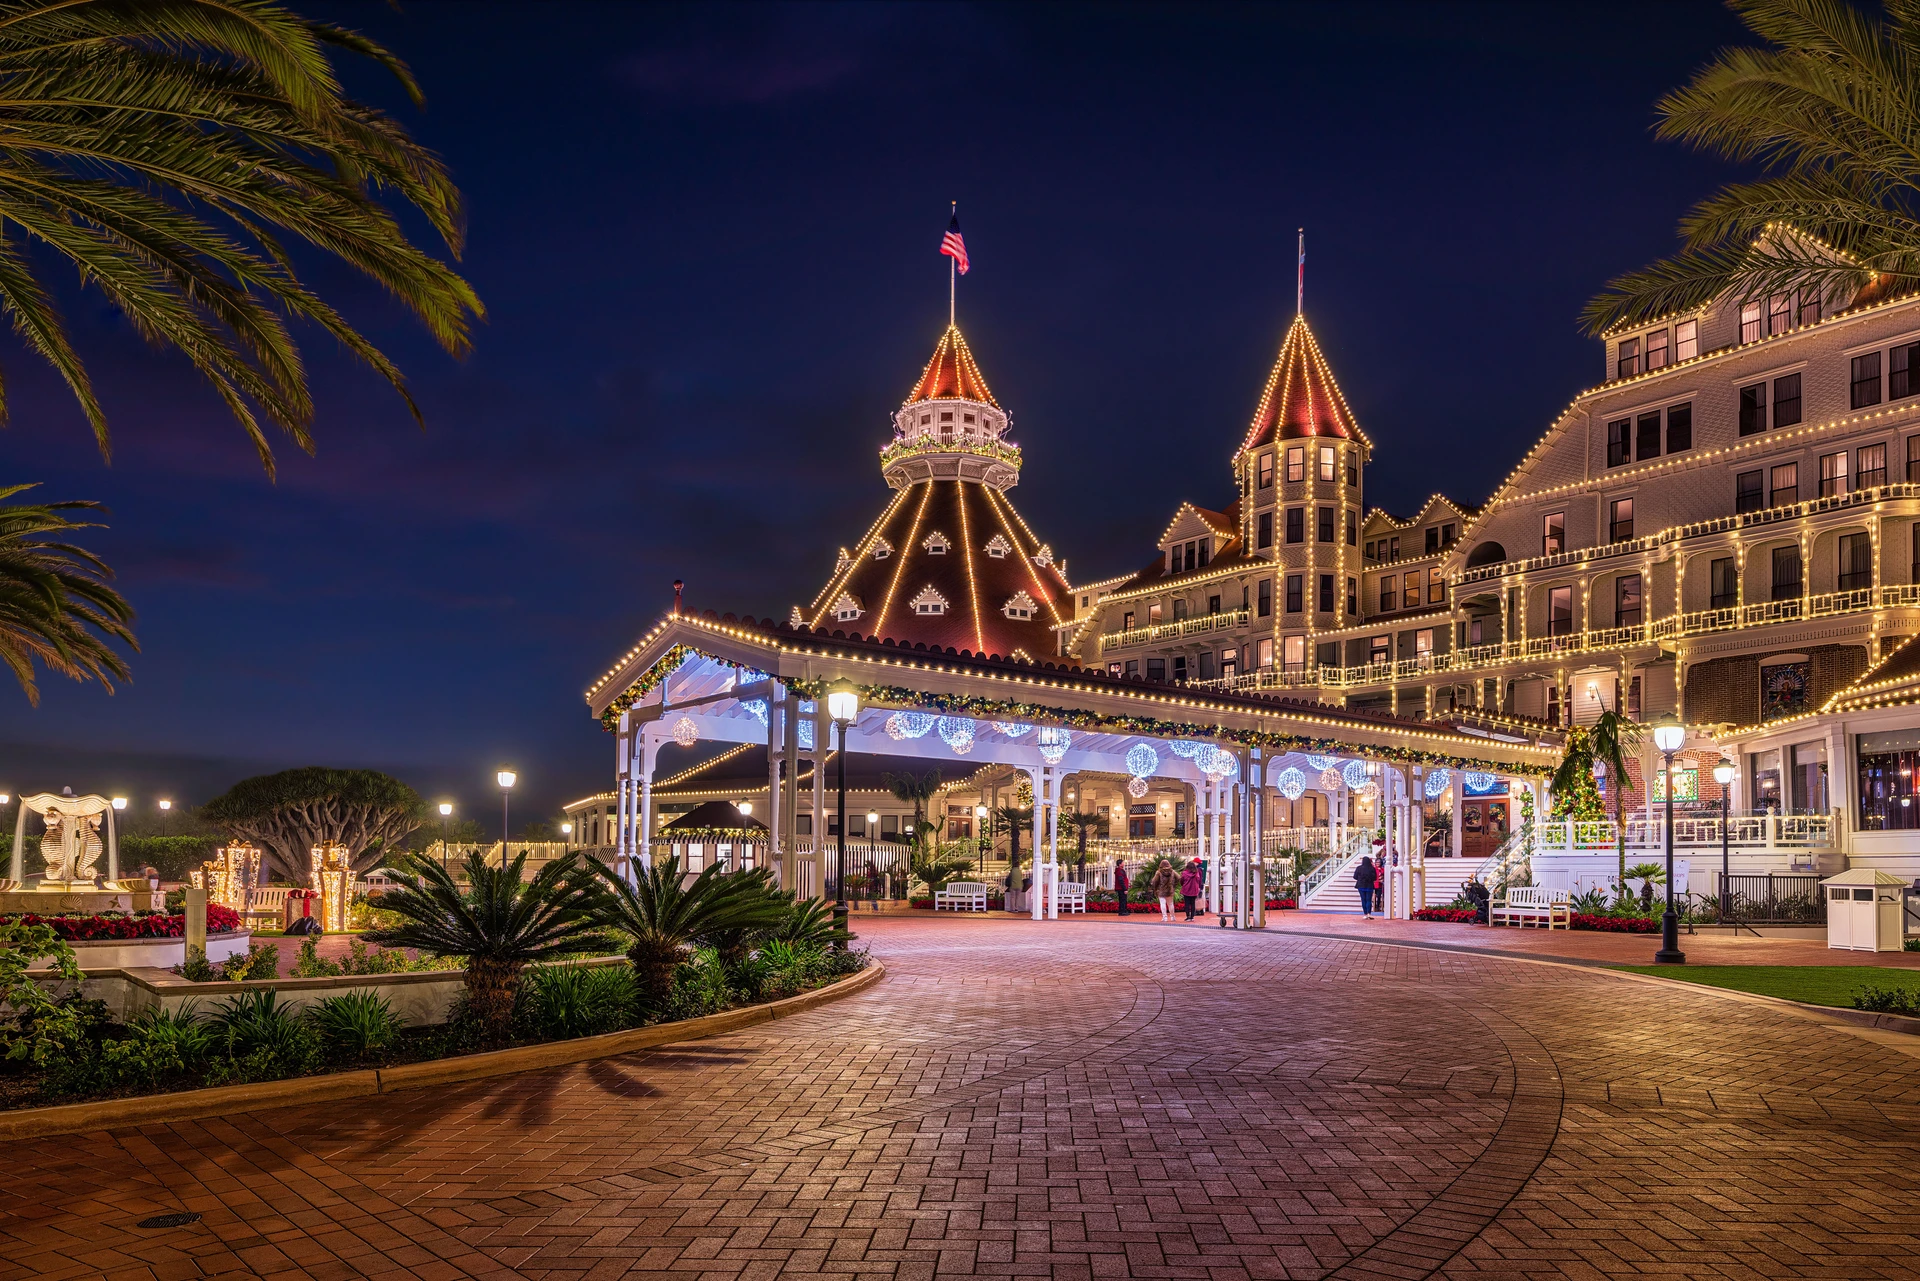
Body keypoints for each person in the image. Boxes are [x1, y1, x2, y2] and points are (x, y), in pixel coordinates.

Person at [1354, 854, 1379, 919]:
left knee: (1363, 899)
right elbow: (1375, 878)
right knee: (1369, 900)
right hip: (1369, 886)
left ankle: (1365, 914)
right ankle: (1369, 913)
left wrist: (1360, 879)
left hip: (1361, 886)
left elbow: (1355, 877)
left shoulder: (1359, 868)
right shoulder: (1372, 868)